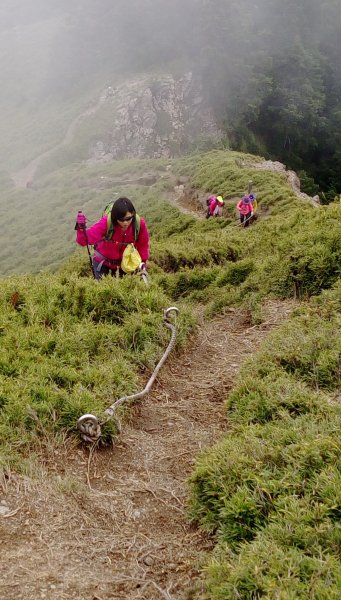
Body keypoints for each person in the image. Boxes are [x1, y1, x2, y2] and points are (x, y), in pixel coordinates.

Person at [75, 197, 149, 280]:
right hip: (103, 265)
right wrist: (81, 229)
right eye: (121, 219)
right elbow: (83, 241)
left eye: (128, 218)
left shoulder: (139, 224)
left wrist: (143, 262)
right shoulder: (106, 223)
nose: (125, 222)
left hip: (125, 265)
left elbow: (143, 245)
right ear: (115, 217)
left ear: (133, 214)